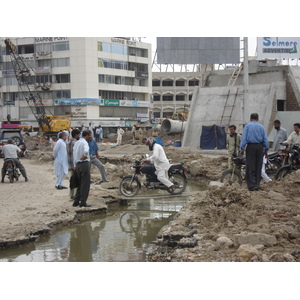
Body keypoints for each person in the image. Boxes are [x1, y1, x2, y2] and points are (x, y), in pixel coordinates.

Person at [240, 113, 269, 191]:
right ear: (258, 119)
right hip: (260, 147)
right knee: (258, 166)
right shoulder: (261, 127)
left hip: (251, 147)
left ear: (250, 118)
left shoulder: (248, 126)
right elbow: (265, 140)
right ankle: (257, 184)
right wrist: (266, 150)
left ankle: (252, 185)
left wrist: (242, 149)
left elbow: (244, 139)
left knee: (250, 165)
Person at [72, 130, 91, 208]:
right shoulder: (84, 143)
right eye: (89, 136)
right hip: (84, 164)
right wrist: (85, 156)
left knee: (79, 184)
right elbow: (86, 151)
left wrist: (75, 166)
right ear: (86, 136)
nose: (89, 138)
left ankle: (76, 201)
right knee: (85, 184)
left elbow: (74, 155)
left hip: (78, 165)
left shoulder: (76, 143)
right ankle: (83, 202)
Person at [67, 129, 80, 200]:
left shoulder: (68, 143)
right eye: (79, 134)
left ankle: (71, 195)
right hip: (75, 165)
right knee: (76, 181)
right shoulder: (75, 143)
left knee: (71, 180)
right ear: (76, 135)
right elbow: (76, 155)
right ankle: (75, 196)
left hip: (70, 165)